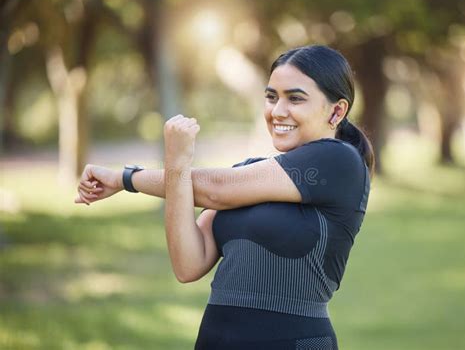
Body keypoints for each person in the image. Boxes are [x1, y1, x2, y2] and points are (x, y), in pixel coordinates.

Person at [75, 45, 374, 350]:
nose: (277, 111)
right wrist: (176, 165)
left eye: (295, 98)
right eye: (271, 97)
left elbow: (215, 188)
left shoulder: (340, 162)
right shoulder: (249, 174)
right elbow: (188, 264)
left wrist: (125, 178)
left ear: (337, 111)